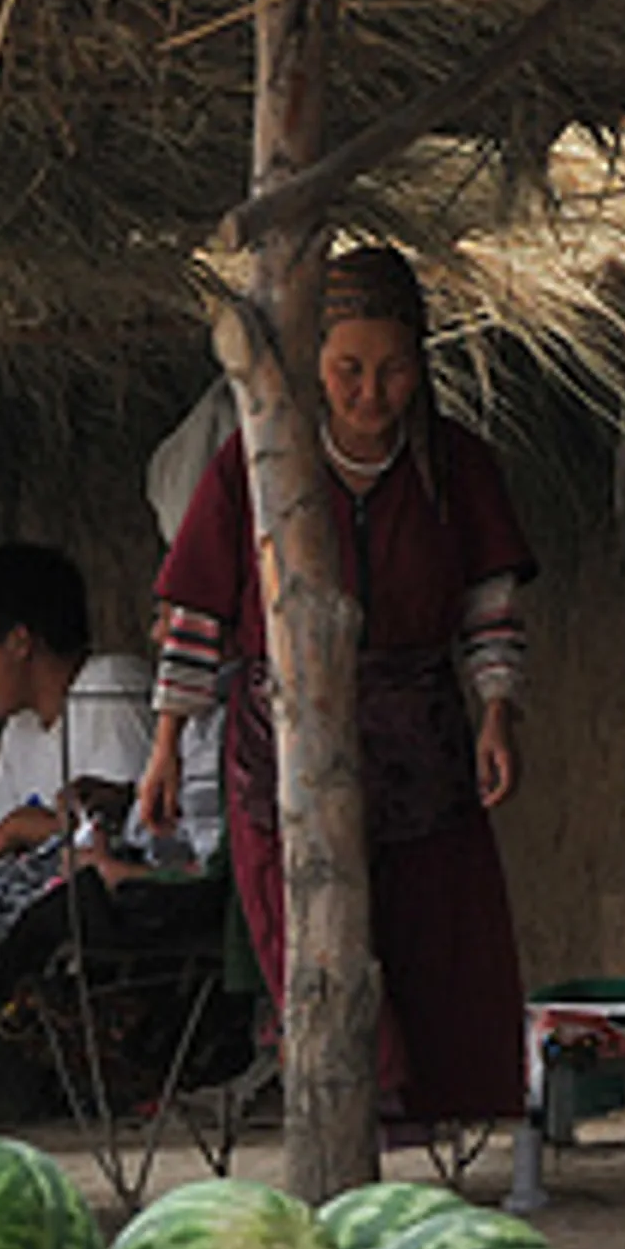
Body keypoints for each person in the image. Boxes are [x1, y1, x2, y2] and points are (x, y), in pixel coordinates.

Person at [140, 242, 534, 1125]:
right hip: (277, 746)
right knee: (313, 943)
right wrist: (165, 747)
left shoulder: (455, 467)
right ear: (316, 363)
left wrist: (498, 716)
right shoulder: (256, 465)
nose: (370, 392)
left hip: (421, 751)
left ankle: (428, 1122)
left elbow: (489, 606)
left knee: (434, 945)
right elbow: (197, 618)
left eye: (393, 370)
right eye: (349, 369)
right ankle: (357, 1117)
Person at [0, 543, 163, 989]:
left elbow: (134, 829)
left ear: (20, 641)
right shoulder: (20, 730)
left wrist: (24, 826)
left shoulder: (109, 687)